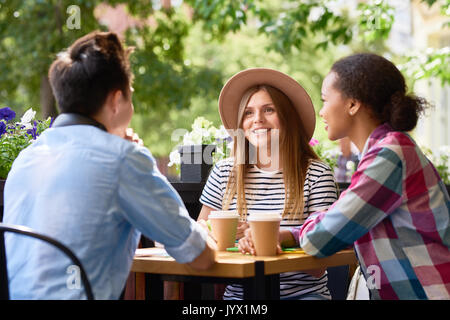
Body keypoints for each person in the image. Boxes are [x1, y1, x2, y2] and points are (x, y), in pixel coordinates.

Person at [3, 31, 216, 300]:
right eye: (131, 94)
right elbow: (199, 256)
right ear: (117, 100)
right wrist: (134, 154)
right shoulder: (121, 159)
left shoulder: (27, 158)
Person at [295, 53, 450, 299]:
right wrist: (289, 235)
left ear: (353, 104)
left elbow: (320, 239)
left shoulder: (390, 155)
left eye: (325, 100)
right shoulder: (386, 150)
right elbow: (347, 223)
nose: (322, 111)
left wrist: (299, 233)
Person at [197, 68, 338, 300]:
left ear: (288, 117)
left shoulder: (317, 174)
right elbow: (201, 238)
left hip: (303, 296)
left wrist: (268, 242)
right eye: (248, 113)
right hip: (240, 298)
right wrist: (212, 236)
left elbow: (318, 266)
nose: (257, 120)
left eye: (269, 110)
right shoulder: (224, 172)